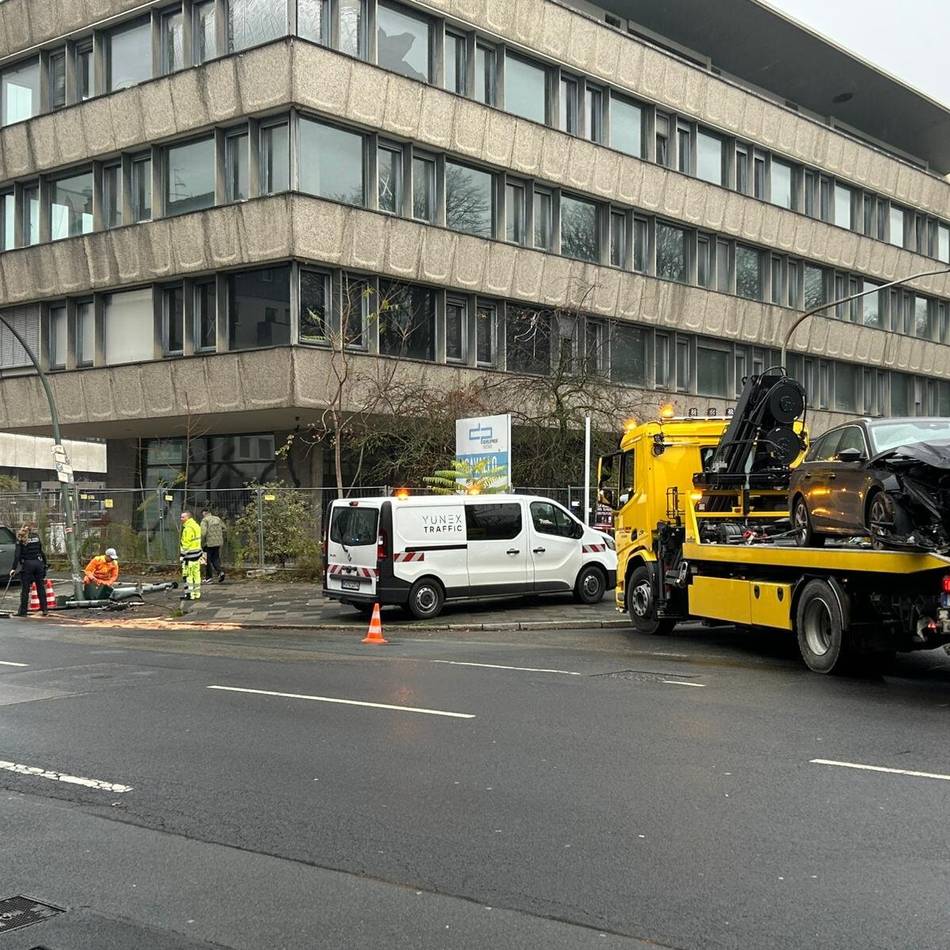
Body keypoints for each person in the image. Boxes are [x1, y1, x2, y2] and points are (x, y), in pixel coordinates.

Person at [10, 523, 48, 617]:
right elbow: (41, 551)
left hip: (27, 565)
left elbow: (17, 555)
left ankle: (23, 611)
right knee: (40, 587)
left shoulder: (20, 538)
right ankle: (44, 609)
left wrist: (13, 568)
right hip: (38, 564)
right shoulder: (36, 537)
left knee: (25, 589)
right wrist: (45, 564)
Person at [179, 511, 203, 601]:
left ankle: (190, 594)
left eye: (183, 517)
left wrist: (182, 556)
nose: (181, 519)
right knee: (196, 575)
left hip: (189, 556)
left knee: (188, 576)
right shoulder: (197, 526)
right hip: (197, 555)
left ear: (187, 518)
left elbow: (185, 544)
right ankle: (197, 593)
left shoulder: (187, 529)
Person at [200, 509, 225, 583]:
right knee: (215, 559)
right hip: (218, 543)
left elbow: (203, 533)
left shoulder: (205, 520)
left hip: (208, 543)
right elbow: (224, 528)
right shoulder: (217, 518)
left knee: (206, 560)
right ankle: (220, 572)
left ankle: (209, 577)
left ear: (204, 513)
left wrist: (200, 541)